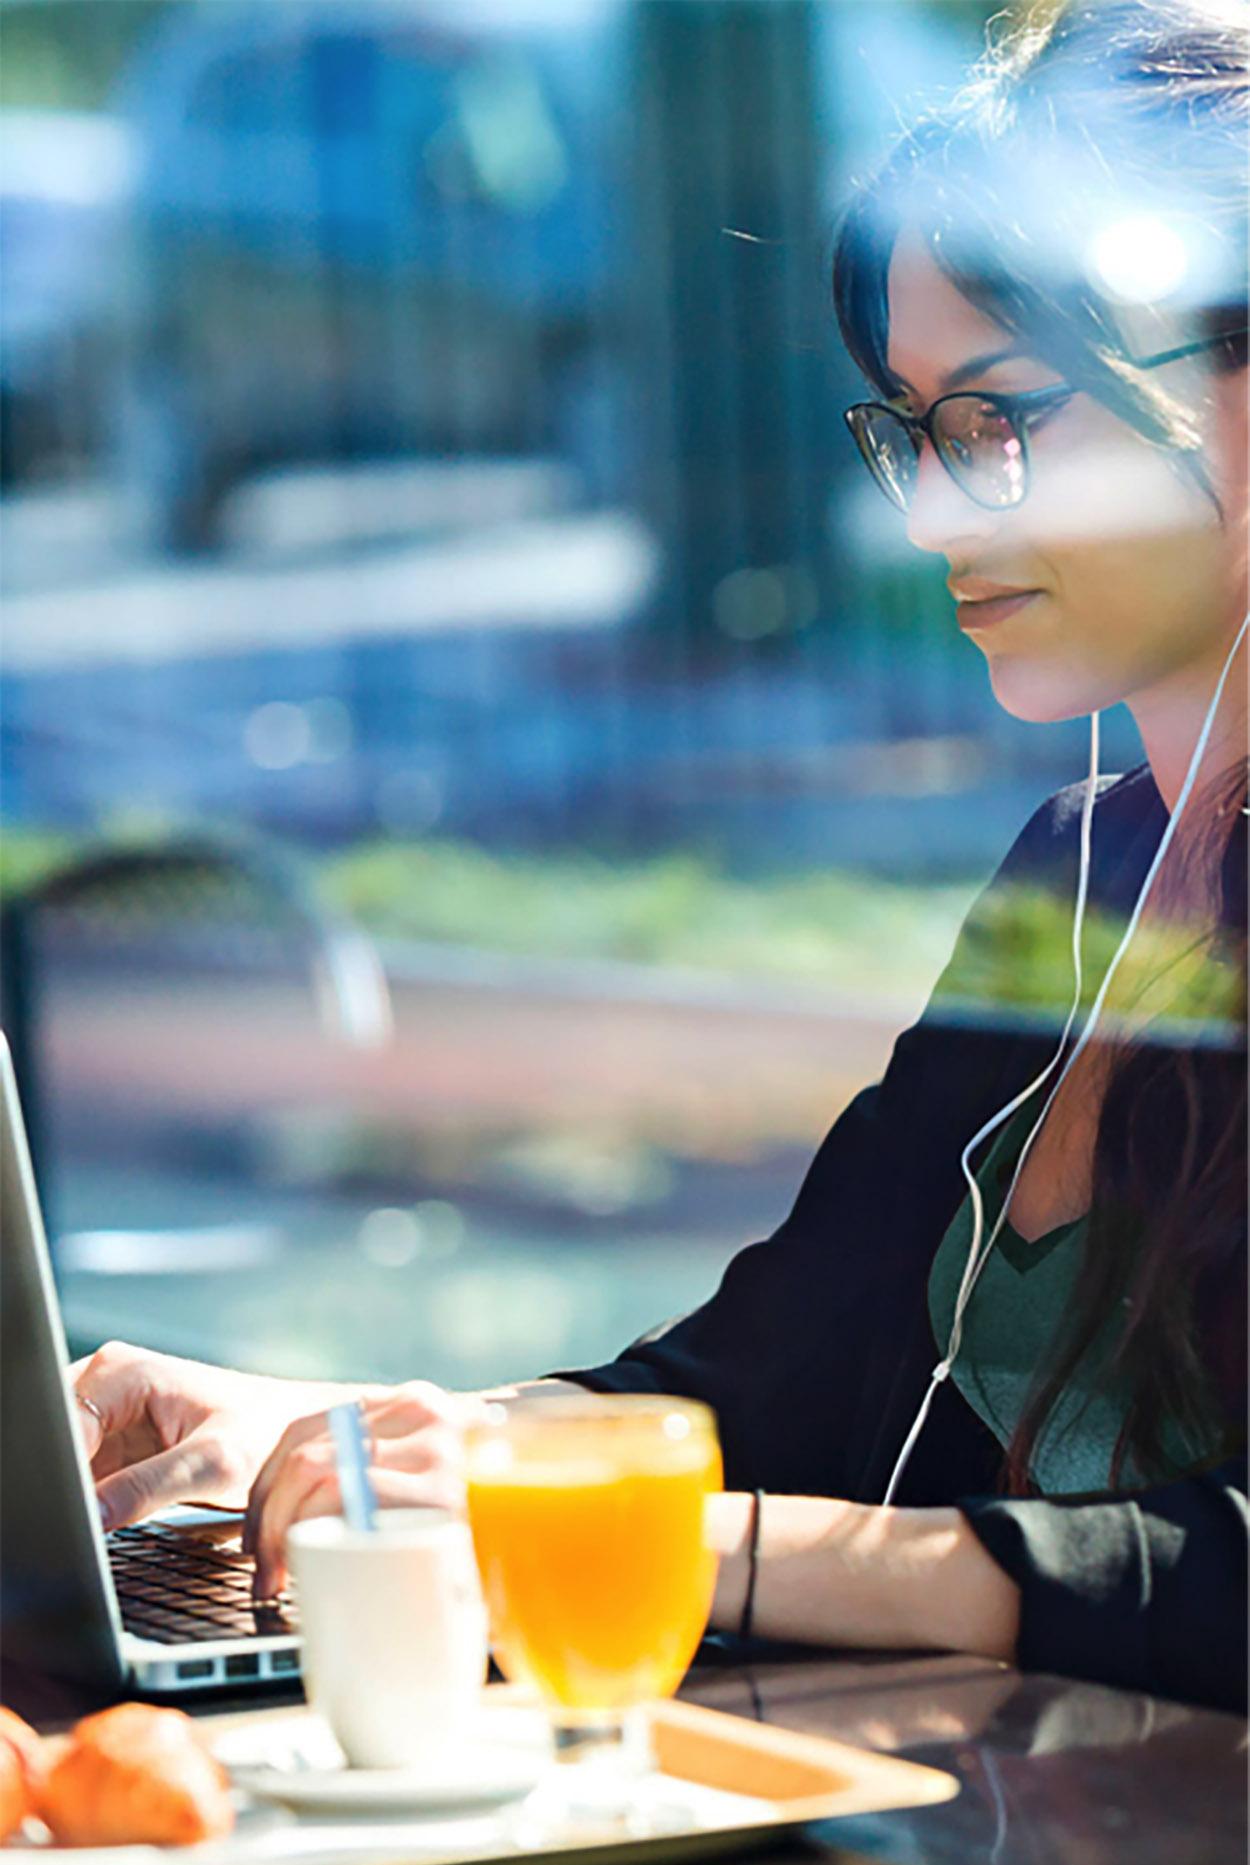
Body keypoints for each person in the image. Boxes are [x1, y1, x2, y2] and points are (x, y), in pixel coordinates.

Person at [67, 0, 1247, 1712]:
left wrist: (690, 1543)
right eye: (909, 432)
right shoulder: (1081, 876)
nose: (930, 514)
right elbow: (768, 1380)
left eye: (997, 421)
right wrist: (368, 1449)